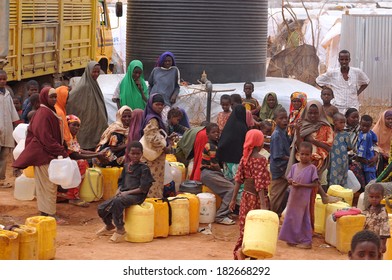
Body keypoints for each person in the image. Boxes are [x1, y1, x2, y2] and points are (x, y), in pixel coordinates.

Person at [13, 87, 69, 223]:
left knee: (45, 186)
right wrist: (60, 150)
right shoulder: (44, 114)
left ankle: (45, 212)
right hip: (45, 155)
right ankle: (50, 214)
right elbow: (45, 137)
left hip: (47, 155)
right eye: (52, 97)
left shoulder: (48, 111)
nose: (54, 99)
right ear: (44, 98)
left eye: (56, 97)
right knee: (48, 186)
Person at [286, 100, 340, 228]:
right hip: (302, 161)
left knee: (310, 191)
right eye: (310, 113)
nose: (313, 116)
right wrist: (298, 132)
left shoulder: (326, 127)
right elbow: (298, 146)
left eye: (316, 113)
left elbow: (328, 147)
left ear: (320, 113)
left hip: (318, 159)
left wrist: (313, 141)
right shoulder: (303, 125)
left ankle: (307, 225)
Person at [96, 141, 154, 243]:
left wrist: (126, 193)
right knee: (101, 208)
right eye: (133, 153)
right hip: (123, 194)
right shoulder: (126, 166)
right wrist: (118, 191)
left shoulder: (144, 168)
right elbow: (121, 183)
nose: (135, 156)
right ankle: (109, 225)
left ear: (142, 154)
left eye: (138, 154)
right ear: (128, 153)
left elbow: (143, 188)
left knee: (118, 202)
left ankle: (120, 229)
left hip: (137, 196)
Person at [229, 129, 270, 260]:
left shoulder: (244, 158)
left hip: (245, 197)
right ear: (259, 143)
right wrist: (263, 205)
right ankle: (251, 254)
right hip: (257, 199)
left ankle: (240, 251)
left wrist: (233, 199)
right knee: (256, 228)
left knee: (245, 226)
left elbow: (238, 180)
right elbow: (260, 184)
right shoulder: (261, 160)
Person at [58, 115, 106, 207]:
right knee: (81, 163)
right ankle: (73, 197)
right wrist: (96, 155)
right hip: (61, 162)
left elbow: (78, 150)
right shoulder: (65, 138)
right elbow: (74, 155)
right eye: (74, 125)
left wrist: (96, 153)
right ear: (67, 125)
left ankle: (65, 196)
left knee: (81, 162)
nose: (77, 128)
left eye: (78, 125)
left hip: (65, 162)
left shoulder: (72, 137)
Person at [279, 141, 319, 249]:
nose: (304, 156)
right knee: (291, 217)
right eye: (302, 154)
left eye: (307, 154)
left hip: (303, 199)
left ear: (311, 155)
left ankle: (307, 241)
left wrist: (302, 185)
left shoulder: (312, 168)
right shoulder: (294, 166)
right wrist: (291, 181)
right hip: (293, 198)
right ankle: (292, 239)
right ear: (298, 154)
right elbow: (288, 178)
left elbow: (315, 183)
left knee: (303, 218)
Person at [67, 61, 108, 150]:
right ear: (88, 72)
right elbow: (69, 99)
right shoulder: (83, 86)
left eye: (98, 72)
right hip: (87, 120)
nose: (96, 74)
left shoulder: (94, 84)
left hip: (94, 121)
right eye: (94, 72)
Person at [200, 123, 235, 225]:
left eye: (218, 132)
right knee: (231, 188)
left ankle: (226, 210)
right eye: (213, 132)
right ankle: (221, 215)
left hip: (211, 173)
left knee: (232, 185)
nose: (216, 134)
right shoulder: (211, 146)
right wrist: (223, 174)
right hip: (209, 173)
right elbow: (215, 164)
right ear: (207, 134)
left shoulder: (215, 145)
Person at [316, 49, 370, 114]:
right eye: (342, 59)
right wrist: (329, 91)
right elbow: (318, 80)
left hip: (353, 106)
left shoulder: (356, 72)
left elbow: (366, 81)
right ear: (339, 60)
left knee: (353, 123)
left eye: (346, 59)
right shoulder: (332, 73)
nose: (344, 62)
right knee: (339, 123)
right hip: (338, 107)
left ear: (349, 60)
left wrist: (358, 92)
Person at [141, 93, 174, 198]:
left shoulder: (155, 117)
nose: (160, 107)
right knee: (153, 182)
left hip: (154, 156)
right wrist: (164, 148)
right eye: (157, 104)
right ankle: (152, 205)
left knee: (155, 181)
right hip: (153, 157)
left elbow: (157, 134)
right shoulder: (153, 119)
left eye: (161, 105)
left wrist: (167, 138)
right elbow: (151, 136)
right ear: (151, 104)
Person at [0, 70, 20, 188]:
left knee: (3, 157)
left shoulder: (7, 94)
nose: (2, 81)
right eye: (0, 79)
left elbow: (13, 115)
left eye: (4, 79)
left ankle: (1, 180)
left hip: (6, 130)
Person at [269, 108, 290, 216]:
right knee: (276, 194)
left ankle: (277, 213)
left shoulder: (284, 132)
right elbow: (278, 155)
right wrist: (292, 159)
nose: (284, 121)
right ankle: (271, 214)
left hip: (283, 167)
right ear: (275, 120)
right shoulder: (277, 135)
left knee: (281, 193)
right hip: (279, 168)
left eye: (285, 118)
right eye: (281, 118)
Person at [148, 51, 180, 122]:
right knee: (152, 120)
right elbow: (150, 84)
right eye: (165, 61)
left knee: (164, 121)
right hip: (154, 101)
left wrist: (174, 95)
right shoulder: (155, 70)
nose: (167, 63)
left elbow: (177, 86)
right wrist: (150, 96)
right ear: (162, 61)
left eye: (169, 61)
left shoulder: (174, 70)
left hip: (166, 101)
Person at [362, 183, 391, 254]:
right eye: (371, 197)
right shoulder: (368, 209)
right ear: (368, 197)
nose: (374, 199)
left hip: (377, 241)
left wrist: (383, 244)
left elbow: (385, 229)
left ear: (382, 197)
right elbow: (366, 224)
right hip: (368, 239)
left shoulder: (382, 211)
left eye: (377, 197)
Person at [328, 113, 352, 187]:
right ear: (334, 122)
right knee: (332, 176)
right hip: (333, 160)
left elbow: (349, 147)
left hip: (343, 160)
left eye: (344, 123)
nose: (343, 125)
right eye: (341, 122)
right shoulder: (330, 134)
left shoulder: (345, 134)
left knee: (343, 176)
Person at [344, 108, 366, 189]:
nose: (356, 120)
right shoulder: (342, 130)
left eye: (357, 117)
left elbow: (372, 144)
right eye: (353, 117)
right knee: (355, 168)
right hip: (347, 157)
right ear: (346, 117)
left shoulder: (362, 129)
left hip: (361, 156)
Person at [357, 115, 378, 185]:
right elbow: (375, 140)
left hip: (367, 161)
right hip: (368, 159)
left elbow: (361, 151)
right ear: (360, 123)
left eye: (367, 126)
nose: (365, 128)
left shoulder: (365, 136)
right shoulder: (369, 133)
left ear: (371, 126)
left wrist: (359, 158)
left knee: (371, 182)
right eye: (363, 126)